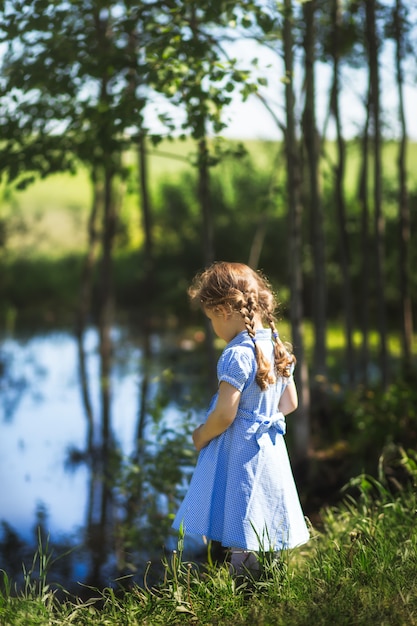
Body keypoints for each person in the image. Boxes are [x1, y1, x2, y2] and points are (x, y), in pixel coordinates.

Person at [172, 261, 309, 575]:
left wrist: (202, 435)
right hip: (270, 449)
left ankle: (245, 587)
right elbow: (290, 403)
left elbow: (224, 414)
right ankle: (269, 581)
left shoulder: (236, 353)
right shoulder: (273, 345)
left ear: (223, 311)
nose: (213, 327)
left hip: (242, 453)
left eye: (210, 319)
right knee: (263, 517)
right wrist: (261, 415)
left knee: (241, 520)